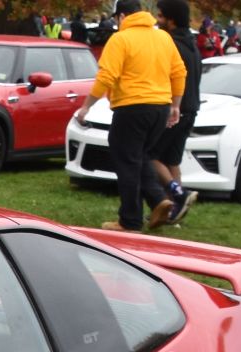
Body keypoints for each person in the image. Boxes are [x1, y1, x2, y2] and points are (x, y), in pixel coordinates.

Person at [77, 0, 185, 231]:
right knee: (140, 156)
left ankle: (130, 220)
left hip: (132, 107)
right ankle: (159, 200)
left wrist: (86, 107)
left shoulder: (121, 39)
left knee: (125, 161)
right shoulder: (163, 38)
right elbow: (179, 72)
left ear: (122, 16)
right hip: (160, 107)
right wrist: (175, 105)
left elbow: (107, 76)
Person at [150, 0, 198, 224]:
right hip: (191, 108)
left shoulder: (171, 43)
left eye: (160, 16)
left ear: (171, 19)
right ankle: (173, 212)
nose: (157, 21)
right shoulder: (191, 42)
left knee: (149, 155)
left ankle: (178, 193)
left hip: (173, 108)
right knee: (171, 160)